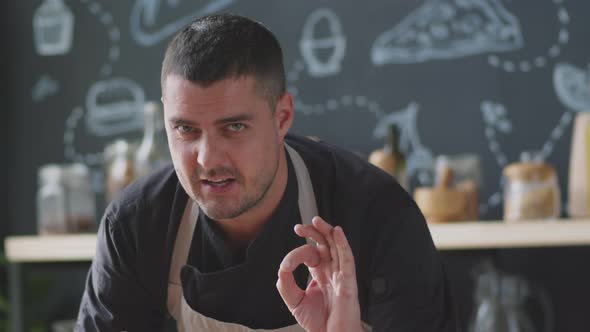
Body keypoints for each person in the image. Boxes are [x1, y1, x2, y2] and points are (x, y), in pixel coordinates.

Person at [76, 13, 457, 332]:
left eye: (234, 128)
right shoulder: (135, 226)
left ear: (282, 117)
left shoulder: (377, 214)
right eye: (185, 129)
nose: (207, 159)